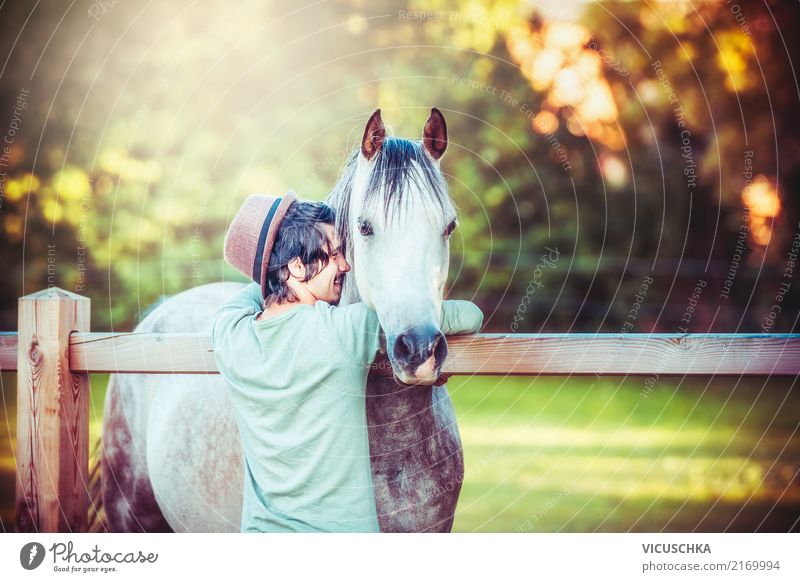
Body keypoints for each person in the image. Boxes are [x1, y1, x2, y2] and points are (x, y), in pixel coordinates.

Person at [211, 191, 483, 532]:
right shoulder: (344, 330)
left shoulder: (229, 333)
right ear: (296, 266)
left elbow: (253, 291)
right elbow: (469, 315)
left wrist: (276, 271)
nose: (346, 265)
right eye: (335, 253)